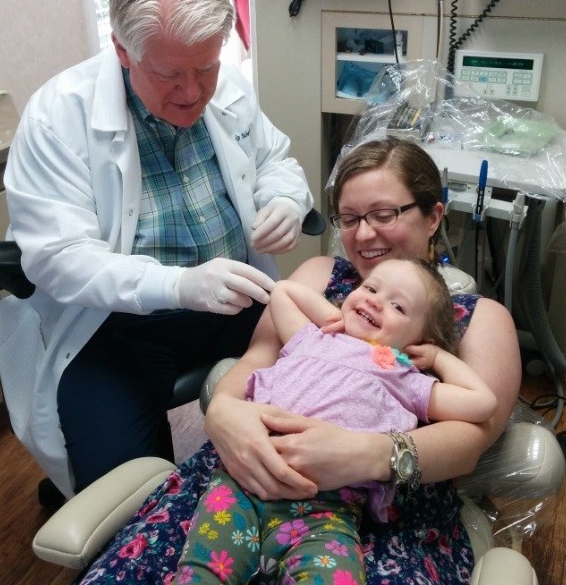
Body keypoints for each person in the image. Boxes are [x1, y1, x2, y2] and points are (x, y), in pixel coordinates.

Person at [72, 137, 520, 585]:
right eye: (349, 218)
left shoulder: (480, 318)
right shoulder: (320, 278)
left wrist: (366, 454)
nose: (363, 235)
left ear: (433, 216)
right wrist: (224, 414)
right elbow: (256, 360)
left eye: (384, 215)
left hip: (378, 515)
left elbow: (472, 439)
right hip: (242, 474)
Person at [0, 0, 312, 498]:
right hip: (114, 328)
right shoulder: (58, 117)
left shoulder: (226, 85)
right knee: (129, 505)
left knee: (314, 430)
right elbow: (57, 258)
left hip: (240, 305)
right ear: (122, 49)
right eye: (169, 74)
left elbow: (274, 160)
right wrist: (178, 285)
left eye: (206, 67)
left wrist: (284, 199)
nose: (192, 93)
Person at [175, 259, 497, 584]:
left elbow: (482, 403)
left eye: (398, 306)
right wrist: (332, 314)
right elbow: (283, 292)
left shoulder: (404, 378)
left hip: (327, 510)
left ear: (419, 338)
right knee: (202, 575)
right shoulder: (312, 337)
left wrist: (438, 357)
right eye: (370, 287)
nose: (374, 300)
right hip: (241, 484)